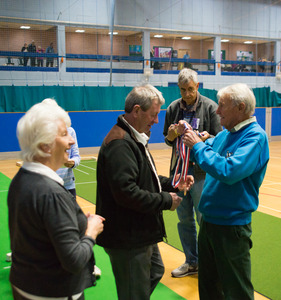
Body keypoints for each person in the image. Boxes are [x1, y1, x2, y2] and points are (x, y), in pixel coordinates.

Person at [95, 84, 194, 300]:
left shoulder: (133, 136)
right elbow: (127, 193)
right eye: (154, 114)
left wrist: (173, 184)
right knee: (134, 292)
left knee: (155, 271)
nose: (157, 121)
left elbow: (145, 179)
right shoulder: (121, 144)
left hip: (139, 230)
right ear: (137, 110)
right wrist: (166, 200)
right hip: (127, 235)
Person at [8, 99, 105, 300]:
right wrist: (91, 231)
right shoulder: (50, 193)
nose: (71, 141)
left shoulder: (21, 179)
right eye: (63, 134)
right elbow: (74, 260)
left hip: (27, 286)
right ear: (46, 146)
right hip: (53, 292)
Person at [181, 83, 270, 299]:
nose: (217, 111)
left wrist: (198, 146)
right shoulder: (225, 134)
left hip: (231, 228)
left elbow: (229, 171)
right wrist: (191, 137)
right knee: (209, 288)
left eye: (222, 106)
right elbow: (204, 155)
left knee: (237, 291)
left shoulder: (255, 137)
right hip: (210, 223)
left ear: (240, 108)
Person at [163, 68, 222, 278]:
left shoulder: (211, 107)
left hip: (201, 174)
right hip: (179, 173)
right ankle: (191, 262)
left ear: (197, 86)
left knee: (203, 218)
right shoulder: (172, 108)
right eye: (182, 90)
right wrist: (171, 134)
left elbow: (220, 139)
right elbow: (167, 139)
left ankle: (209, 262)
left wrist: (207, 138)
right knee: (184, 219)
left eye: (190, 89)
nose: (187, 94)